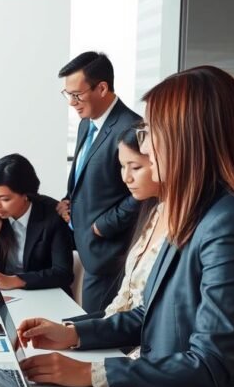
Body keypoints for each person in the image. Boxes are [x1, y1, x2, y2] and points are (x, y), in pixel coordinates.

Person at [15, 66, 234, 387]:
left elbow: (211, 363)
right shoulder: (194, 213)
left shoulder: (231, 224)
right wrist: (73, 334)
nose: (144, 143)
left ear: (190, 138)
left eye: (150, 132)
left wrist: (91, 373)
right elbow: (151, 314)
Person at [56, 52, 142, 313]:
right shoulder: (86, 124)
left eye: (77, 94)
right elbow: (86, 177)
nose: (72, 102)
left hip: (110, 254)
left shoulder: (130, 127)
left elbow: (144, 190)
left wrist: (104, 225)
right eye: (67, 94)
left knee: (101, 335)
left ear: (102, 88)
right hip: (88, 247)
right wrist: (68, 201)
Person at [65, 128, 165, 322]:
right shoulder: (152, 215)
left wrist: (104, 224)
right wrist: (72, 329)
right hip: (121, 326)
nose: (126, 177)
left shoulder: (180, 224)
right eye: (122, 166)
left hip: (136, 339)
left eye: (135, 167)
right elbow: (123, 301)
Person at [0, 154, 73, 292]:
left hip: (47, 295)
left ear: (26, 194)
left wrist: (15, 280)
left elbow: (63, 274)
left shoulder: (52, 213)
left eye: (5, 199)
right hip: (8, 296)